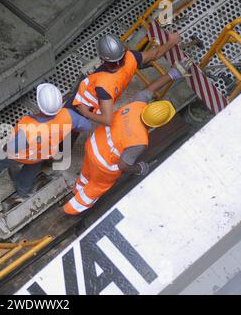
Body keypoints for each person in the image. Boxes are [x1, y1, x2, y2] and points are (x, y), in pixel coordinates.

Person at [64, 59, 191, 215]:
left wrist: (173, 73)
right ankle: (70, 209)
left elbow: (149, 89)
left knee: (86, 173)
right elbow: (123, 165)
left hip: (93, 145)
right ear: (156, 125)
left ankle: (77, 189)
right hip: (104, 165)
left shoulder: (137, 105)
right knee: (95, 187)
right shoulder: (140, 140)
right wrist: (139, 168)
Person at [0, 83, 92, 206]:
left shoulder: (28, 130)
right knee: (31, 170)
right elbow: (86, 126)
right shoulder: (68, 116)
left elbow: (9, 149)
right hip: (43, 153)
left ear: (39, 104)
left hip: (21, 155)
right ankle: (22, 190)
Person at [70, 33, 181, 126]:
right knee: (68, 132)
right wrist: (171, 42)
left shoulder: (104, 85)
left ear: (102, 58)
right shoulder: (132, 57)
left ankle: (60, 149)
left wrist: (86, 113)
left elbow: (107, 120)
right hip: (87, 107)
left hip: (79, 105)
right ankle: (62, 147)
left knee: (61, 131)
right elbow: (155, 54)